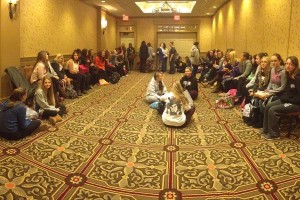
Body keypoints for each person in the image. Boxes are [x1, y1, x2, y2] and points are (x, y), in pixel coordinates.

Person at [262, 56, 300, 140]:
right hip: (288, 100)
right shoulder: (288, 75)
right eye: (286, 63)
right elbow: (288, 91)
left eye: (290, 64)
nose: (287, 66)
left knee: (273, 110)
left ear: (295, 66)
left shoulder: (297, 78)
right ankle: (266, 130)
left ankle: (274, 135)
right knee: (268, 106)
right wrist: (284, 98)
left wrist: (288, 100)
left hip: (296, 104)